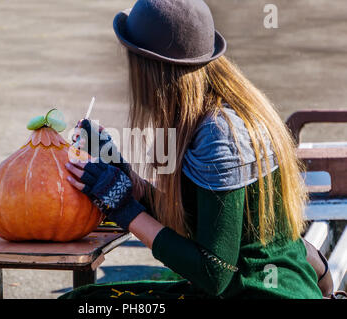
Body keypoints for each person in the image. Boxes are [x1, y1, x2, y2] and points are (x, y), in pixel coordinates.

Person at [59, 0, 328, 299]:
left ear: (151, 69)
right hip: (267, 287)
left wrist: (123, 208)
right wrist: (125, 178)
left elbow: (214, 273)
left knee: (82, 303)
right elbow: (201, 221)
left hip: (257, 293)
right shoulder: (225, 112)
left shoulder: (220, 135)